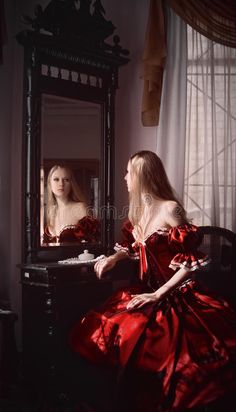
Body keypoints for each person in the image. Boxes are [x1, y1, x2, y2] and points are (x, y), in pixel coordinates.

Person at [69, 151, 236, 412]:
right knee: (108, 326)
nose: (125, 177)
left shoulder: (170, 208)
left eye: (129, 172)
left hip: (177, 293)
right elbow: (136, 246)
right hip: (146, 290)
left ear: (143, 175)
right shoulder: (140, 211)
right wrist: (115, 258)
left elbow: (190, 265)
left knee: (165, 349)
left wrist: (158, 295)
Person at [43, 164, 100, 244]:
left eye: (66, 180)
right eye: (56, 179)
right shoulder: (51, 211)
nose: (61, 184)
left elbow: (93, 242)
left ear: (71, 184)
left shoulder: (80, 207)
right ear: (49, 183)